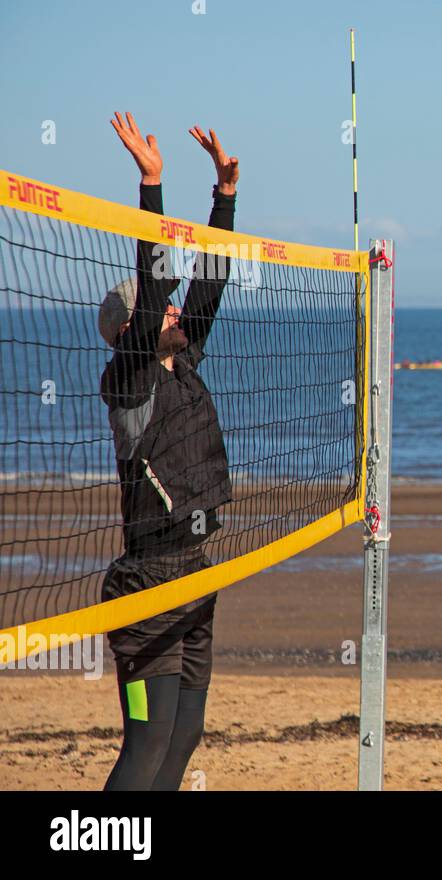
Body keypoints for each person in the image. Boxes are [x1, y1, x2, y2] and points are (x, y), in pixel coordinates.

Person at [98, 111, 240, 790]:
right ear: (135, 329)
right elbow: (158, 289)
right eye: (165, 312)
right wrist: (152, 188)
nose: (180, 313)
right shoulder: (130, 381)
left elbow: (205, 287)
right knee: (147, 748)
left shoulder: (182, 362)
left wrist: (224, 197)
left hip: (195, 573)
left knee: (185, 739)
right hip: (148, 585)